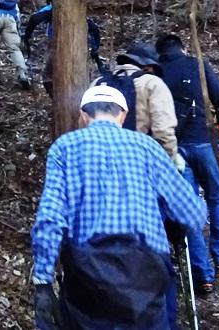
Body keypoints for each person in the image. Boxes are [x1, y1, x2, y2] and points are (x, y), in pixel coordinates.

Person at [32, 86, 207, 330]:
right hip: (145, 274)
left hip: (86, 276)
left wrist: (43, 279)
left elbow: (51, 217)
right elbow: (193, 213)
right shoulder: (146, 147)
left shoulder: (64, 148)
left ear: (84, 115)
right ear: (123, 115)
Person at [155, 33, 219, 294]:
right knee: (218, 198)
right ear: (182, 47)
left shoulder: (157, 74)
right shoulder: (196, 65)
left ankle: (203, 274)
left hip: (175, 148)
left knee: (189, 207)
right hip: (204, 140)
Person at [91, 43, 184, 172]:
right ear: (149, 67)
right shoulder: (152, 83)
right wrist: (169, 161)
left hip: (99, 163)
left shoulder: (98, 83)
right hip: (139, 163)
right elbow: (163, 131)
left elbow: (84, 123)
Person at [23, 0, 101, 97]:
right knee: (79, 74)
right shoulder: (77, 10)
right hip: (79, 45)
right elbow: (94, 29)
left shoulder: (52, 10)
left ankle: (57, 99)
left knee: (48, 75)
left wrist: (27, 36)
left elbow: (35, 18)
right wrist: (95, 48)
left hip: (57, 44)